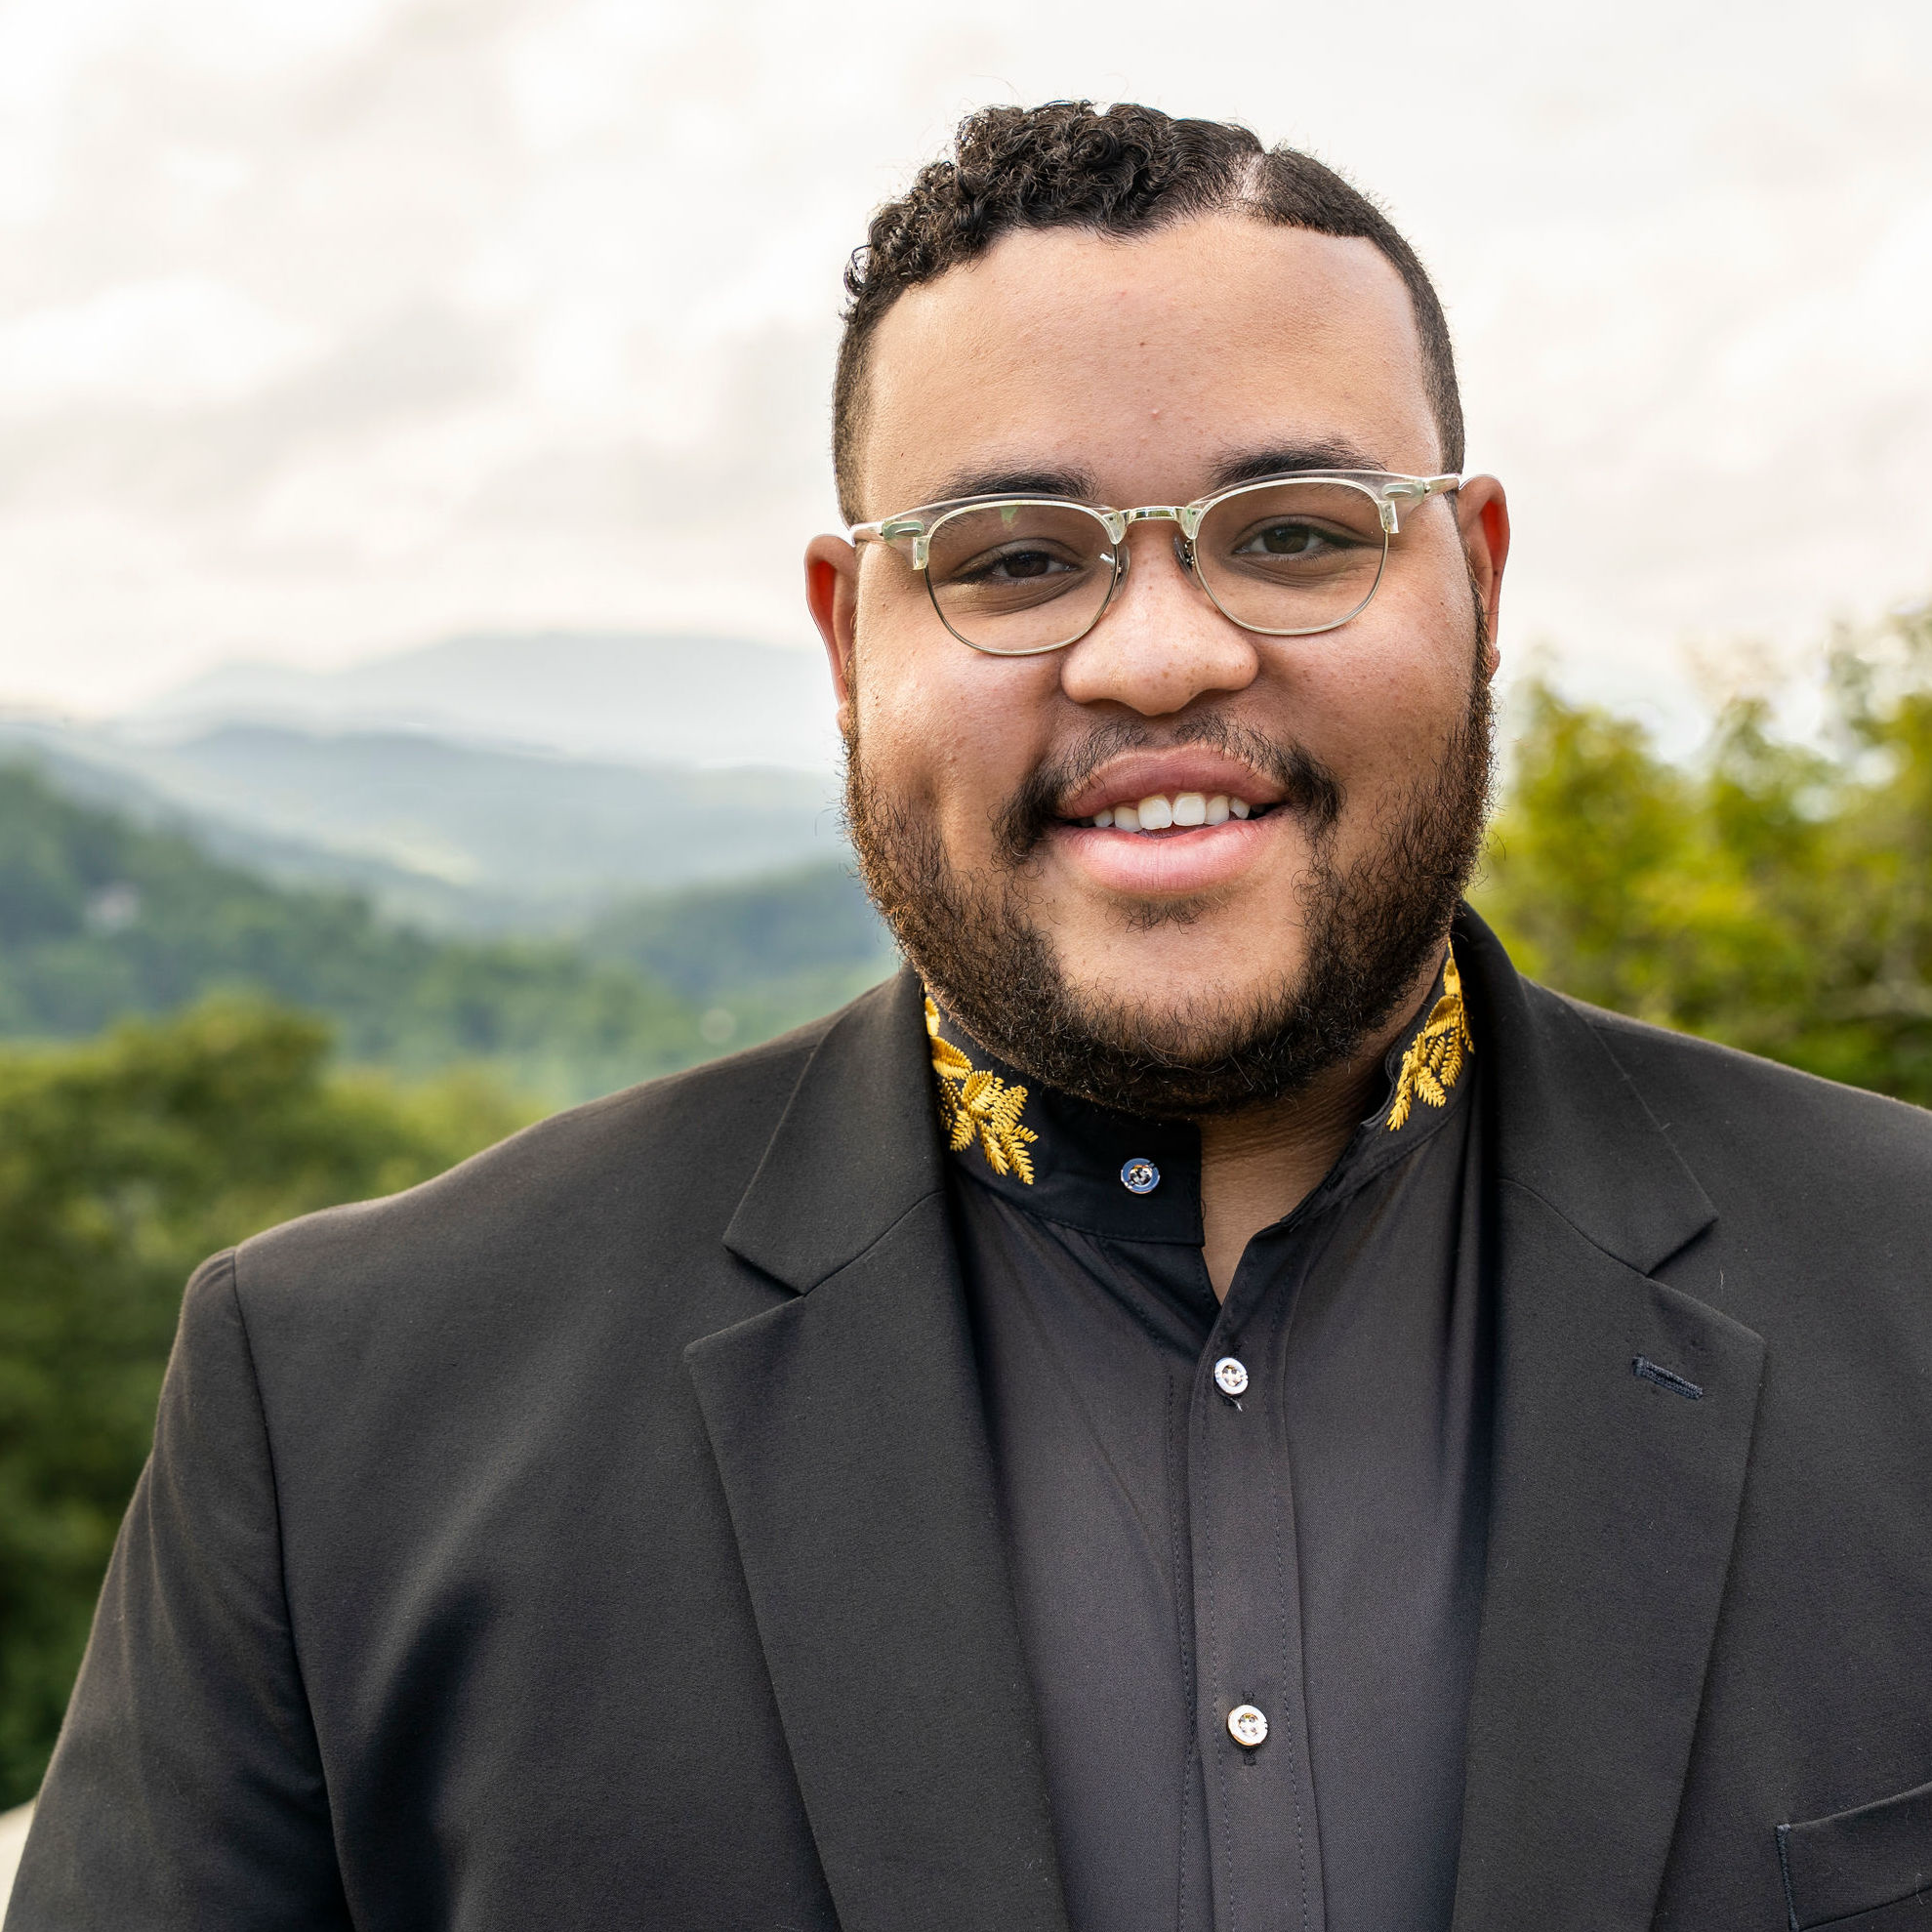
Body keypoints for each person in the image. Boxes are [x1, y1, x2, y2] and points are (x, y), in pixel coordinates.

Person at [10, 100, 1932, 1932]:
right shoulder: (349, 1404)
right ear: (851, 645)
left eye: (1294, 529)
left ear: (1475, 576)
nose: (1164, 651)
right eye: (1013, 561)